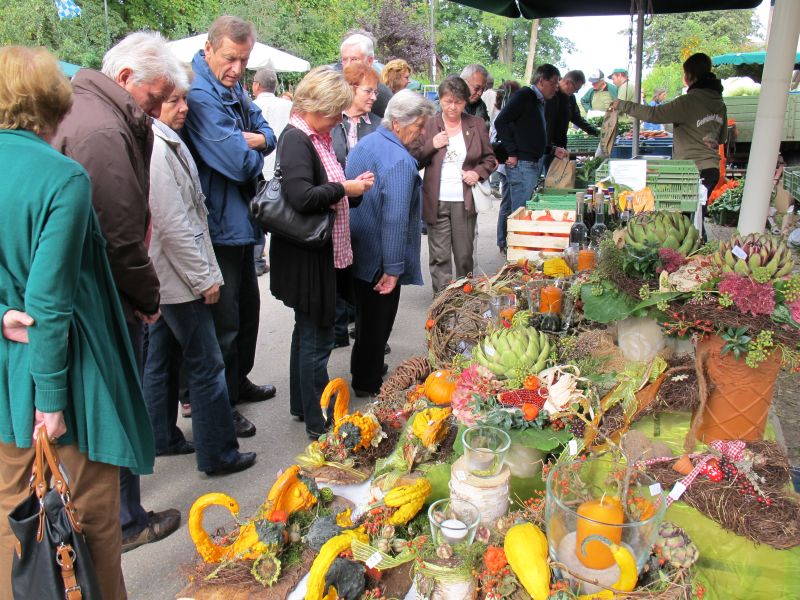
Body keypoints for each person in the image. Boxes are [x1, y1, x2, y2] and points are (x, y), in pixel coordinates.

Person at [0, 45, 155, 599]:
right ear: (51, 101)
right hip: (63, 380)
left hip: (7, 378)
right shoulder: (61, 177)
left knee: (18, 533)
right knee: (86, 534)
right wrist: (51, 401)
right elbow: (50, 301)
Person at [50, 31, 182, 553]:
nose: (157, 108)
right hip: (106, 300)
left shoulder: (88, 110)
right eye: (155, 97)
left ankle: (115, 515)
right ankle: (124, 520)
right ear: (126, 78)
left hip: (94, 295)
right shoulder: (103, 129)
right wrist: (147, 297)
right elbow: (120, 235)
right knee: (117, 406)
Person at [144, 75, 257, 476]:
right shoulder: (158, 147)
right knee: (206, 363)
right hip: (177, 277)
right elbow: (174, 223)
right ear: (154, 102)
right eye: (174, 100)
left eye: (184, 99)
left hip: (164, 274)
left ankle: (161, 435)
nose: (184, 107)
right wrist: (203, 277)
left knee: (161, 355)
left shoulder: (161, 140)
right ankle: (218, 453)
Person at [183, 16, 277, 440]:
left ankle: (237, 382)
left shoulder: (231, 86)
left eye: (244, 60)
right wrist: (253, 145)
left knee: (247, 311)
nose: (238, 68)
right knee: (224, 323)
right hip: (217, 223)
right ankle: (222, 407)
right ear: (209, 49)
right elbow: (238, 163)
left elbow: (267, 131)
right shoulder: (200, 93)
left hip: (239, 220)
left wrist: (256, 139)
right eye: (230, 58)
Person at [269, 66, 374, 438]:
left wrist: (350, 188)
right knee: (316, 339)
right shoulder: (297, 139)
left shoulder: (316, 136)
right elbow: (302, 197)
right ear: (316, 106)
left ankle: (303, 407)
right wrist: (345, 188)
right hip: (308, 257)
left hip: (320, 254)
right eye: (334, 112)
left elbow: (323, 188)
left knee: (308, 333)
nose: (338, 119)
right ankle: (319, 422)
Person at [347, 90, 434, 396]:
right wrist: (393, 269)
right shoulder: (400, 160)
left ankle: (363, 370)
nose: (422, 133)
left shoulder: (368, 142)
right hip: (379, 256)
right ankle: (367, 383)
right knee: (377, 323)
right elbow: (394, 219)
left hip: (359, 248)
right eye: (419, 126)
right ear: (398, 123)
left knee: (365, 318)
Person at [612, 53, 727, 234]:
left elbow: (654, 114)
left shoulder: (688, 102)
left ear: (689, 76)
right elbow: (721, 138)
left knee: (689, 224)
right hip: (711, 169)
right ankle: (700, 248)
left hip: (692, 171)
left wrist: (622, 105)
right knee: (695, 218)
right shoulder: (719, 102)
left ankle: (699, 248)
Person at [412, 76, 497, 295]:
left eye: (458, 102)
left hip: (464, 201)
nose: (452, 107)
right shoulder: (429, 125)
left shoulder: (476, 124)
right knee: (439, 256)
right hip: (436, 199)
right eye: (447, 101)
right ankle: (443, 301)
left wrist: (476, 173)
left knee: (464, 255)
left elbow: (490, 159)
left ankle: (464, 299)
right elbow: (414, 159)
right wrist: (432, 144)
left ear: (465, 102)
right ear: (440, 99)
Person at [330, 62, 382, 349]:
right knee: (337, 269)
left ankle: (367, 333)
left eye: (375, 92)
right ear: (350, 89)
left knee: (365, 269)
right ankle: (338, 329)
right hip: (337, 205)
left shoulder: (378, 125)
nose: (373, 97)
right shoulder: (331, 121)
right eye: (368, 91)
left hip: (367, 206)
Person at [495, 64, 566, 222]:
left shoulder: (538, 101)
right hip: (522, 165)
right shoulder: (524, 96)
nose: (556, 88)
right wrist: (511, 152)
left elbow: (529, 136)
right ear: (542, 80)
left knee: (520, 211)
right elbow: (500, 122)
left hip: (530, 163)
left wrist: (551, 149)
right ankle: (511, 238)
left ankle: (511, 237)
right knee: (519, 213)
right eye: (554, 83)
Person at [252, 67, 293, 277]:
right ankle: (283, 260)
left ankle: (257, 258)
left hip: (260, 168)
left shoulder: (251, 106)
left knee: (259, 214)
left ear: (256, 86)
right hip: (283, 167)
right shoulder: (288, 106)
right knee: (283, 216)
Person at [545, 69, 599, 169]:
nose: (576, 92)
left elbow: (576, 118)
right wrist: (550, 147)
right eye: (576, 89)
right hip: (547, 146)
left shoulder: (570, 98)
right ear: (568, 83)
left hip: (561, 144)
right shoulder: (549, 95)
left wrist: (595, 131)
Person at [493, 80, 521, 254]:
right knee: (508, 204)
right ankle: (503, 240)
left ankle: (503, 240)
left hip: (504, 163)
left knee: (507, 203)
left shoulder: (501, 111)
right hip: (507, 163)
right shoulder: (505, 114)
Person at [339, 33, 393, 117]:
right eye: (344, 60)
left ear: (369, 61)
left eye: (354, 59)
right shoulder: (334, 88)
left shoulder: (382, 95)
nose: (348, 65)